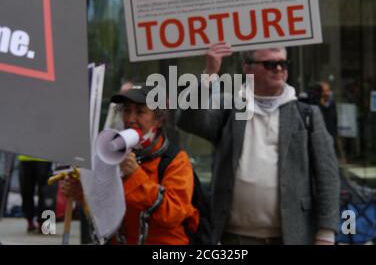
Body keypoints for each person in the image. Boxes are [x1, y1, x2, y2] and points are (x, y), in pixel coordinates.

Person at [177, 42, 340, 245]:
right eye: (270, 64)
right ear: (247, 67)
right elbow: (189, 120)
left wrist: (326, 233)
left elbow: (328, 176)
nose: (279, 69)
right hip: (234, 239)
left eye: (283, 63)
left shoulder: (306, 114)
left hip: (292, 238)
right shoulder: (230, 108)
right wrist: (209, 75)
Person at [63, 84, 199, 245]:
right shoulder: (113, 154)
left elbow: (172, 214)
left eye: (140, 112)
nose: (130, 119)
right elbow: (107, 210)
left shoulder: (176, 161)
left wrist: (135, 175)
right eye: (126, 110)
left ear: (159, 120)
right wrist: (81, 194)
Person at [17, 155, 52, 233]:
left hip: (44, 156)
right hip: (26, 156)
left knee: (45, 192)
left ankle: (42, 222)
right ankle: (30, 221)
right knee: (26, 190)